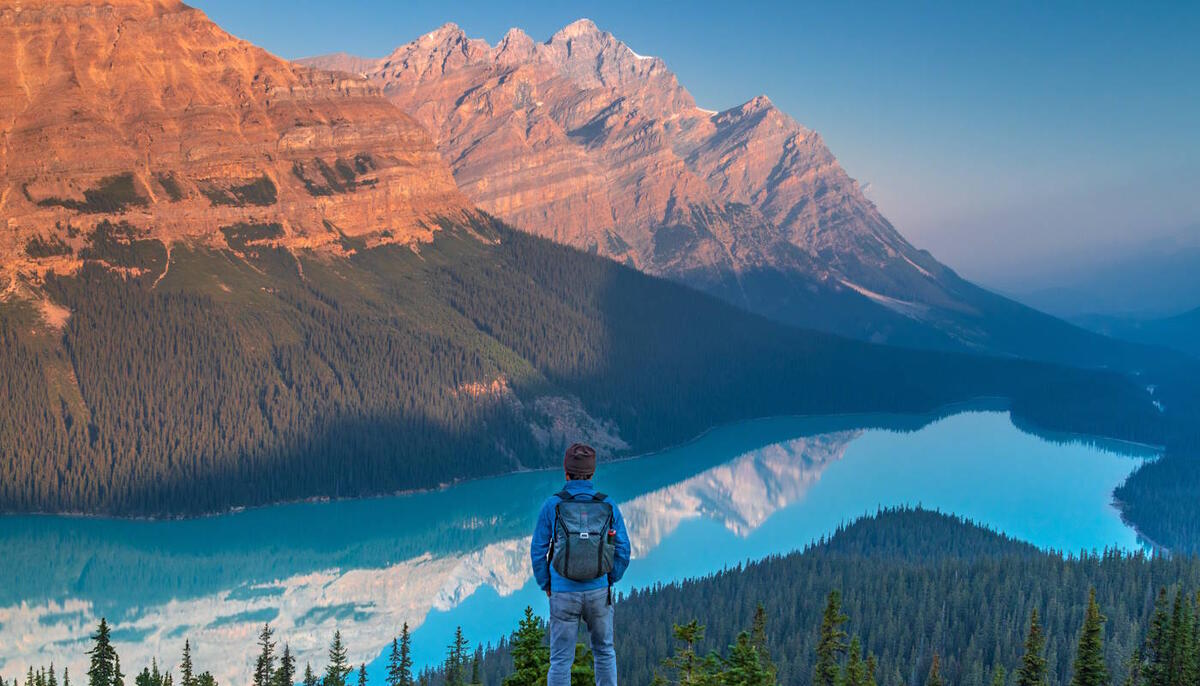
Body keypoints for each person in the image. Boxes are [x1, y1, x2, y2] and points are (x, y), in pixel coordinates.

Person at [531, 442, 631, 686]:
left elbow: (538, 551)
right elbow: (623, 551)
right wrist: (609, 578)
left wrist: (548, 584)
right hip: (598, 592)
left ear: (566, 472)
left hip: (563, 593)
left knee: (560, 661)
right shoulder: (608, 506)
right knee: (604, 652)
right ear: (592, 473)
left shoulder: (552, 505)